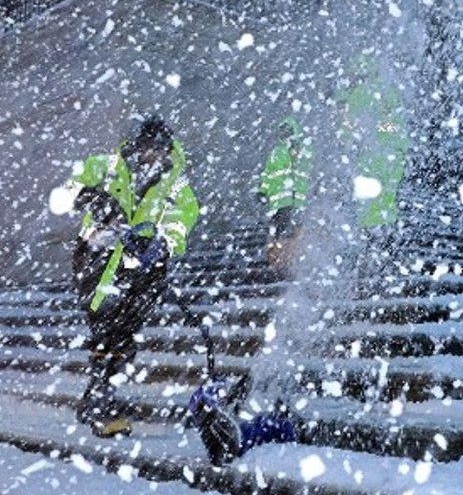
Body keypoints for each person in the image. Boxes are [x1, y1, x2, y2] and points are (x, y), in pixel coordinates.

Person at [66, 115, 199, 437]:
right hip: (97, 257)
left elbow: (181, 224)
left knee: (123, 335)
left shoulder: (176, 185)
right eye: (149, 147)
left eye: (160, 148)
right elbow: (66, 193)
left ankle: (97, 397)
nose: (154, 155)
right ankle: (101, 402)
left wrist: (160, 244)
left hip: (143, 270)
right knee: (106, 327)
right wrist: (93, 197)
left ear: (168, 149)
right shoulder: (106, 166)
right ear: (137, 145)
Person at [188, 377, 302, 466]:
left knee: (260, 425)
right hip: (241, 441)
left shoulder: (284, 429)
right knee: (264, 425)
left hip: (241, 441)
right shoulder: (280, 427)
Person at [259, 116, 313, 272]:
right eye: (282, 131)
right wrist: (263, 191)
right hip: (280, 202)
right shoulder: (276, 153)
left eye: (288, 131)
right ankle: (278, 261)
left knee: (295, 232)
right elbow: (267, 174)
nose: (285, 134)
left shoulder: (303, 151)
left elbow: (308, 170)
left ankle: (293, 260)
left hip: (298, 201)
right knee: (279, 232)